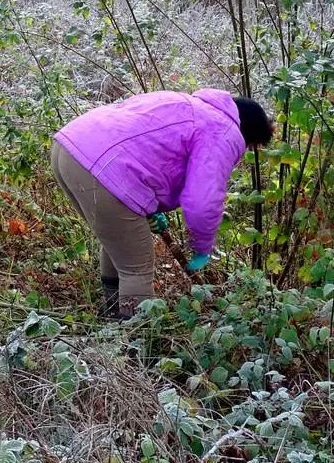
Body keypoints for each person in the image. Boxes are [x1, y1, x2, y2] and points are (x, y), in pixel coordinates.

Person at [52, 89, 273, 319]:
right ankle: (131, 340)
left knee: (119, 244)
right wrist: (202, 247)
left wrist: (149, 205)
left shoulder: (189, 105)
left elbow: (146, 148)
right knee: (137, 268)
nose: (246, 150)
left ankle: (111, 314)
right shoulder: (222, 131)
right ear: (248, 133)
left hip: (69, 148)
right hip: (102, 167)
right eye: (251, 146)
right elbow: (202, 201)